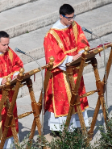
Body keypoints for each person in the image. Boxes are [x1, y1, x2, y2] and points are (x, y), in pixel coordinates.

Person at [43, 4, 90, 133]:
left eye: (73, 17)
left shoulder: (74, 26)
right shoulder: (51, 34)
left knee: (77, 97)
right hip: (60, 73)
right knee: (64, 101)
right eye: (69, 18)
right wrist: (71, 59)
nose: (71, 20)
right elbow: (52, 56)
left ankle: (77, 125)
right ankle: (61, 129)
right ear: (61, 16)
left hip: (75, 70)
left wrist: (82, 52)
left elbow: (82, 40)